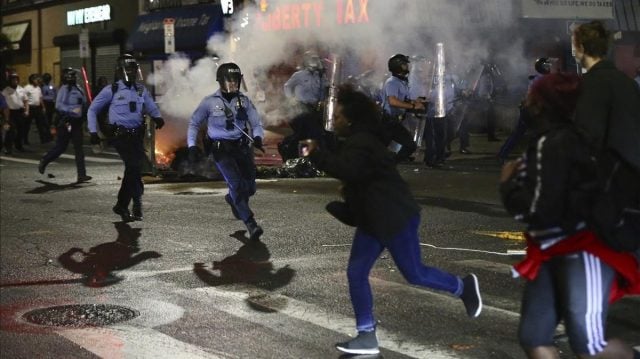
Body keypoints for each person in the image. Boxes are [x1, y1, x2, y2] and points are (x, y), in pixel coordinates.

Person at [305, 84, 482, 355]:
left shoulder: (361, 142)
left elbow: (348, 170)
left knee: (415, 273)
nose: (335, 121)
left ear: (350, 119)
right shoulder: (358, 140)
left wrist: (316, 153)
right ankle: (366, 335)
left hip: (393, 218)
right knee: (356, 273)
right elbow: (358, 178)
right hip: (374, 220)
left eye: (338, 116)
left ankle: (463, 286)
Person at [500, 72, 640, 359]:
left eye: (531, 97)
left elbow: (542, 212)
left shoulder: (556, 143)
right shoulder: (553, 140)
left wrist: (508, 186)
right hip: (552, 251)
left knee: (589, 345)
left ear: (542, 103)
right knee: (533, 335)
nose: (526, 102)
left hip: (583, 249)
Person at [187, 62, 265, 241]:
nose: (233, 84)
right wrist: (192, 145)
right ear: (220, 82)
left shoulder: (244, 101)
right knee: (236, 184)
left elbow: (256, 122)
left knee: (250, 188)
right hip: (221, 150)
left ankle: (232, 199)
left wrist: (259, 137)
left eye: (236, 81)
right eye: (229, 81)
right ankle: (251, 223)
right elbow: (194, 123)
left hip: (242, 148)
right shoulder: (209, 102)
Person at [87, 54, 165, 221]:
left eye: (132, 69)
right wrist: (93, 132)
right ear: (120, 71)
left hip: (137, 135)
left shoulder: (140, 90)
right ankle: (122, 205)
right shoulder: (112, 90)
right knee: (133, 166)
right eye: (127, 69)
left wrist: (157, 117)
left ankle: (136, 203)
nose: (130, 72)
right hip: (120, 136)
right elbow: (92, 109)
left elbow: (151, 106)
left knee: (135, 170)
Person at [497, 57, 554, 163]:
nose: (549, 68)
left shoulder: (537, 78)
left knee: (521, 133)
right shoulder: (540, 80)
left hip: (529, 109)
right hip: (531, 110)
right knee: (536, 133)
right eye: (546, 66)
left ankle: (503, 154)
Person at [38, 68, 91, 183]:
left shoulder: (79, 89)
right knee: (61, 147)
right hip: (66, 122)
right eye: (71, 76)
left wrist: (86, 113)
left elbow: (83, 103)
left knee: (79, 149)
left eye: (74, 76)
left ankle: (81, 174)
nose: (74, 78)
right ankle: (45, 160)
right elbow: (58, 106)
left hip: (77, 123)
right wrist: (72, 110)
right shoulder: (64, 90)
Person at [280, 51, 328, 161]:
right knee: (309, 132)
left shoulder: (320, 77)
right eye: (312, 59)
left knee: (307, 134)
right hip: (301, 107)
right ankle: (301, 154)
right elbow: (287, 86)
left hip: (315, 108)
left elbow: (325, 88)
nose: (315, 62)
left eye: (316, 60)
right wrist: (291, 99)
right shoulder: (299, 75)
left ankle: (290, 148)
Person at [381, 53, 424, 163]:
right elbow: (393, 101)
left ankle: (390, 164)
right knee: (379, 148)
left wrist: (415, 101)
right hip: (387, 121)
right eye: (405, 64)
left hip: (394, 121)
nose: (407, 66)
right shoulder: (392, 82)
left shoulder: (401, 81)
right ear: (398, 66)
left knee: (410, 145)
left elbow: (403, 100)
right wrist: (413, 106)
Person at [1, 72, 29, 154]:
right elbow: (3, 103)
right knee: (11, 130)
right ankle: (8, 147)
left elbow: (26, 101)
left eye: (16, 80)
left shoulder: (21, 89)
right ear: (10, 81)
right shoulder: (6, 91)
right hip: (10, 112)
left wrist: (27, 110)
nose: (15, 81)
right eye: (13, 80)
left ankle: (19, 146)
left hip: (20, 112)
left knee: (21, 130)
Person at [24, 73, 52, 144]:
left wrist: (43, 107)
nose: (38, 80)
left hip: (37, 108)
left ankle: (43, 139)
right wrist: (25, 109)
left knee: (41, 124)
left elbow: (40, 98)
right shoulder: (27, 88)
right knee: (27, 125)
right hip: (30, 108)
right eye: (37, 79)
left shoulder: (38, 88)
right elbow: (24, 99)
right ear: (32, 80)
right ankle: (25, 140)